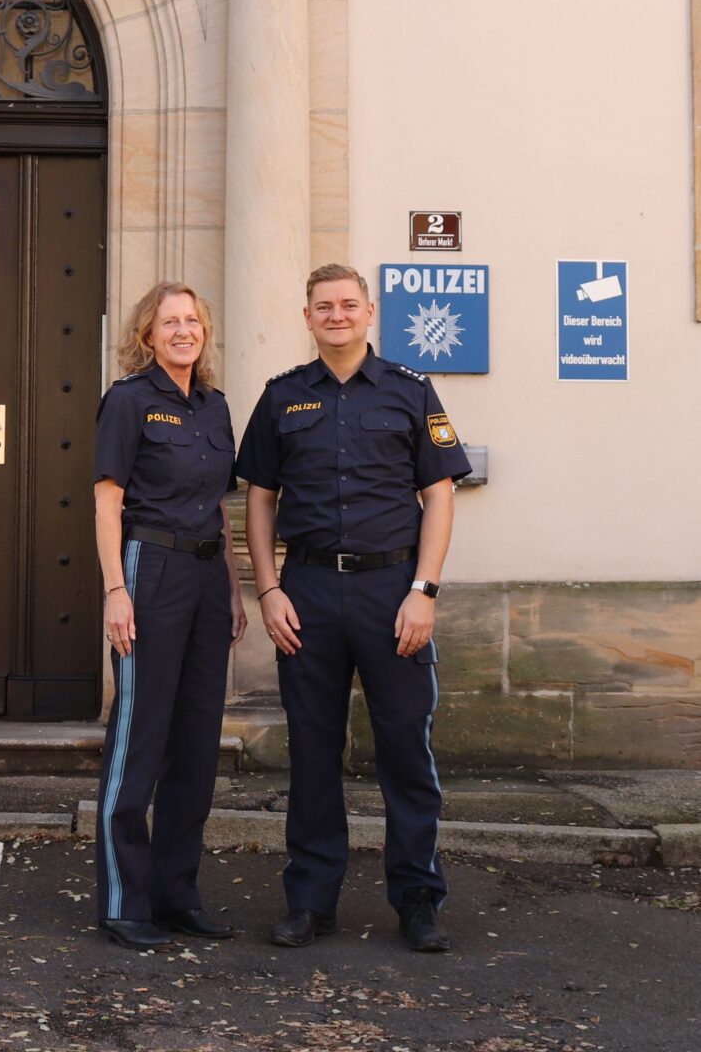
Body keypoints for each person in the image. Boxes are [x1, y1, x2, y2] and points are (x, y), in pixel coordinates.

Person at [235, 263, 471, 952]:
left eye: (347, 304)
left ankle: (419, 901)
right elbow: (258, 497)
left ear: (369, 312)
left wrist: (423, 592)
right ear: (307, 318)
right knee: (311, 751)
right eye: (322, 307)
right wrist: (269, 588)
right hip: (306, 593)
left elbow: (442, 496)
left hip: (391, 591)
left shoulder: (409, 391)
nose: (335, 315)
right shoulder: (282, 398)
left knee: (405, 749)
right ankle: (310, 902)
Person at [94, 281, 247, 951]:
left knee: (195, 744)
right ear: (148, 335)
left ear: (204, 332)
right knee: (139, 735)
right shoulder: (129, 402)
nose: (184, 330)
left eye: (193, 320)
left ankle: (176, 894)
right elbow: (107, 500)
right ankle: (125, 902)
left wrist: (236, 588)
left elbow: (221, 507)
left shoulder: (216, 408)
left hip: (208, 578)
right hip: (148, 571)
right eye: (170, 321)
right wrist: (112, 591)